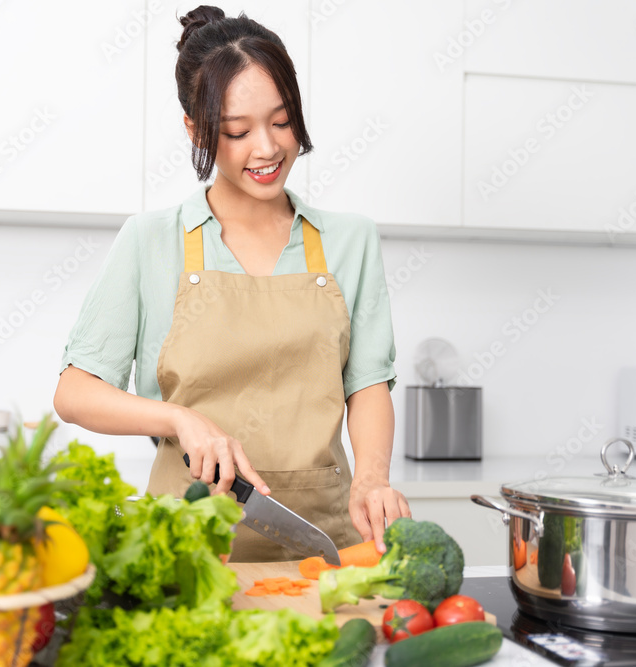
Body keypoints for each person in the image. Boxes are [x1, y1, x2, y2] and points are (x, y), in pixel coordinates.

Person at [54, 5, 410, 562]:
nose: (267, 148)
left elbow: (367, 385)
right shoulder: (151, 240)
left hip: (325, 550)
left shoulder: (350, 241)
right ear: (197, 130)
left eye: (283, 121)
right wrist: (179, 419)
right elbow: (74, 394)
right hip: (184, 550)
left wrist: (371, 477)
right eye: (238, 132)